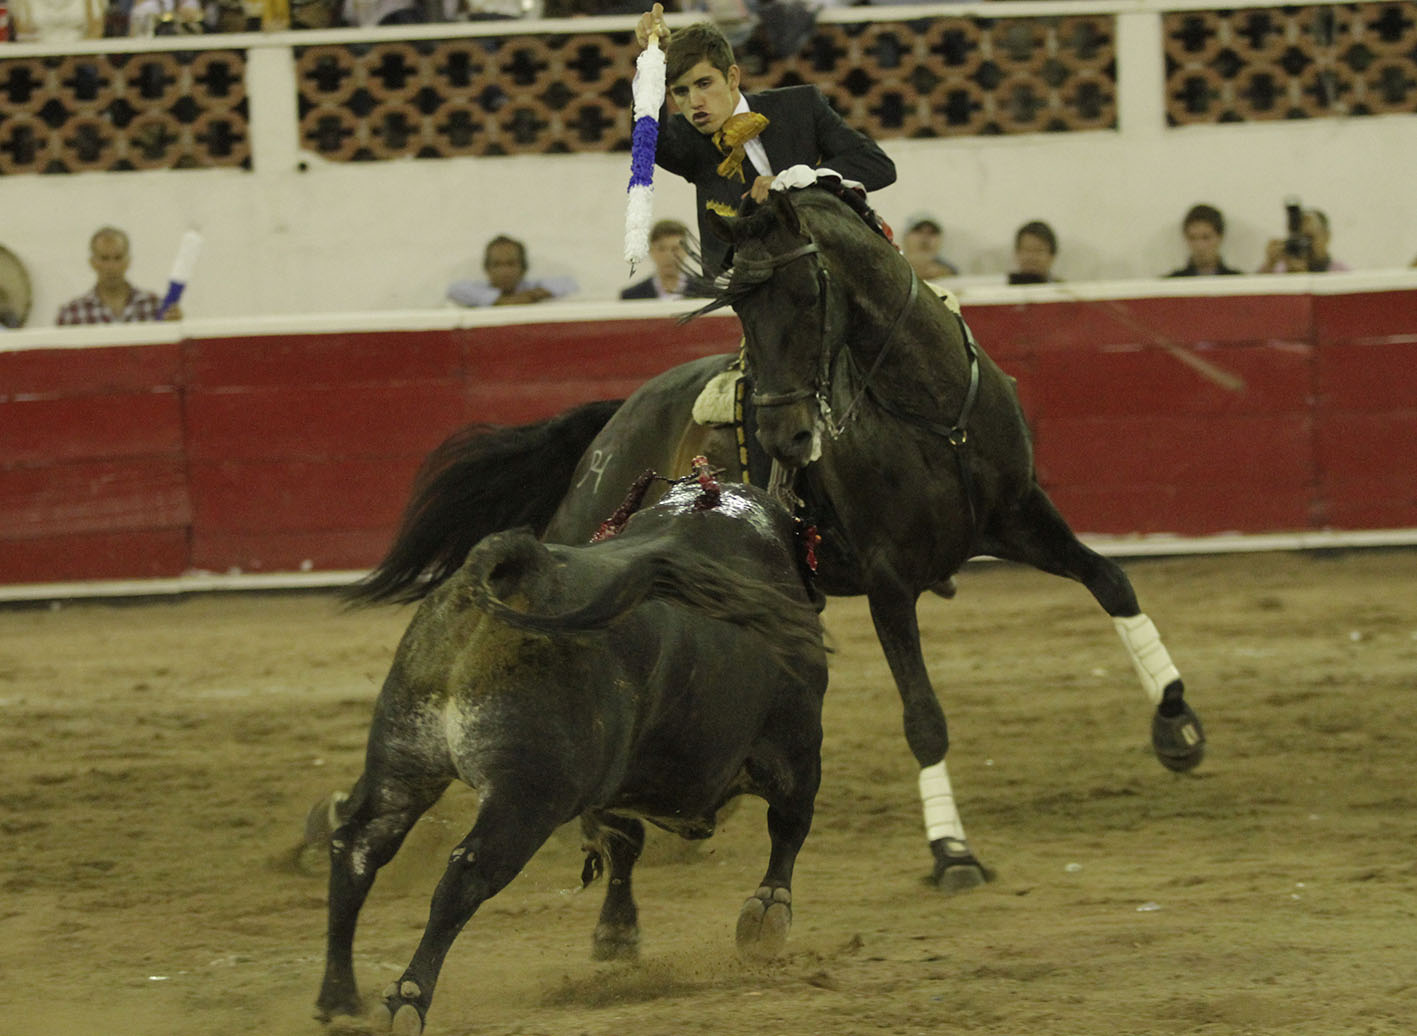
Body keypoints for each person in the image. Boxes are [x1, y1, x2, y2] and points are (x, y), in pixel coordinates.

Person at [634, 3, 896, 276]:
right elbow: (646, 140)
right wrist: (651, 63)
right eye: (681, 92)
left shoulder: (799, 105)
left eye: (704, 84)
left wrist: (793, 180)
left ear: (732, 77)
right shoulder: (686, 138)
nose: (695, 102)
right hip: (754, 285)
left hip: (833, 262)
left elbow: (878, 166)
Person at [55, 226, 178, 325]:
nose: (111, 266)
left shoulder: (154, 306)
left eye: (118, 258)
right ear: (92, 263)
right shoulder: (72, 314)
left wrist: (176, 326)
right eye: (104, 258)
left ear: (128, 261)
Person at [446, 235, 578, 308]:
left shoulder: (530, 287)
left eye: (511, 264)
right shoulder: (475, 289)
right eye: (497, 265)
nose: (504, 272)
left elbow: (568, 284)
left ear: (523, 268)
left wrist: (532, 296)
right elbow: (454, 290)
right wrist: (501, 301)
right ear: (487, 269)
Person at [1260, 207, 1350, 273]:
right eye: (1299, 238)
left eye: (1309, 238)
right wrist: (1269, 265)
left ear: (1326, 236)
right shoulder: (1280, 270)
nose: (1303, 244)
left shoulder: (1341, 274)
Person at [621, 219, 690, 300]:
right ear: (650, 251)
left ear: (686, 251)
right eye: (661, 249)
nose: (669, 256)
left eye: (675, 249)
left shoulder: (703, 293)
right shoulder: (631, 297)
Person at [1166, 203, 1241, 277]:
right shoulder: (1173, 283)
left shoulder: (1238, 280)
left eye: (1206, 237)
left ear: (1220, 238)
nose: (1199, 246)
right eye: (1192, 238)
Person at [900, 213, 959, 281]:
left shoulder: (950, 272)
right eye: (919, 231)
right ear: (905, 238)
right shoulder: (893, 266)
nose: (925, 238)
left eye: (932, 233)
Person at [1008, 220, 1059, 284]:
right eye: (1027, 250)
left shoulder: (1064, 290)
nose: (1032, 257)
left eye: (1039, 250)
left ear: (1052, 256)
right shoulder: (1000, 290)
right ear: (1016, 253)